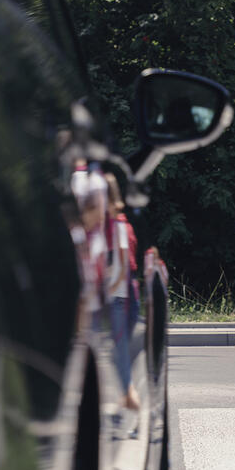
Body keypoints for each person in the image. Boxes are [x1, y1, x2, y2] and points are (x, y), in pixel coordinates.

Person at [104, 172, 141, 414]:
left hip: (117, 298)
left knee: (118, 353)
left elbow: (123, 265)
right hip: (120, 297)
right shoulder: (116, 225)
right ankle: (127, 398)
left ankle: (130, 400)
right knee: (118, 353)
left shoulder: (117, 226)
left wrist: (106, 287)